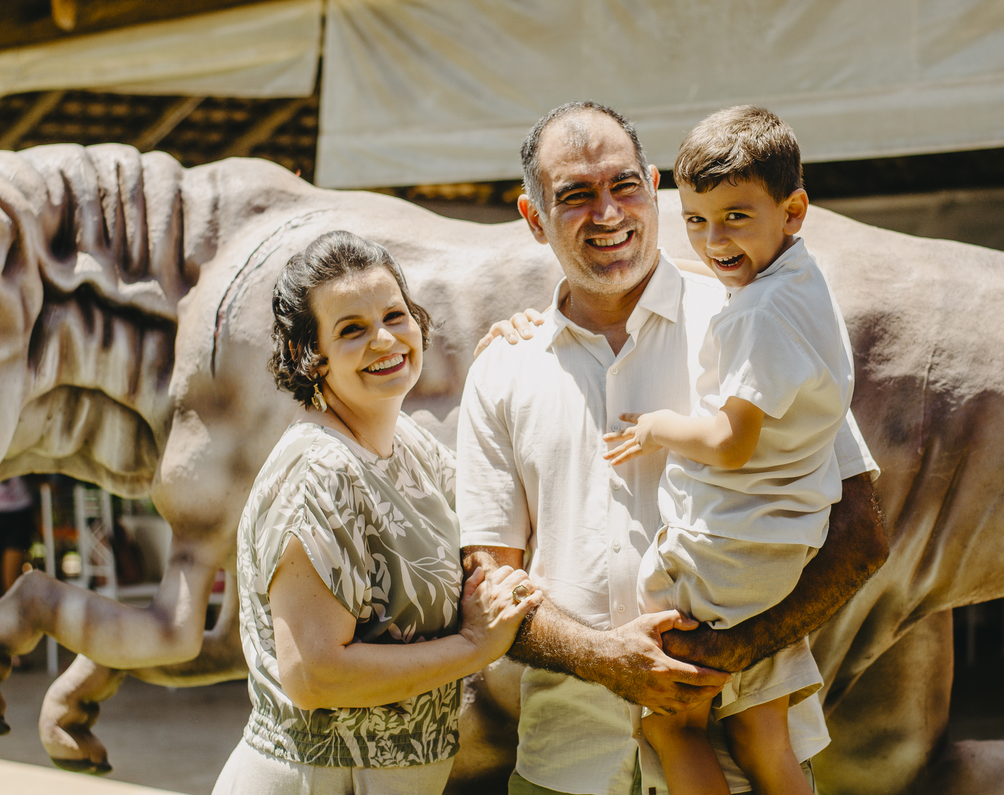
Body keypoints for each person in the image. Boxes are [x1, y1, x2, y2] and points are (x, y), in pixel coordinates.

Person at [457, 101, 887, 795]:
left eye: (624, 185)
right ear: (534, 217)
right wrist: (604, 659)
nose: (608, 212)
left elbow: (861, 533)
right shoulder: (505, 367)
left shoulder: (749, 314)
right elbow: (489, 583)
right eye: (575, 194)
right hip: (568, 763)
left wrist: (732, 650)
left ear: (653, 187)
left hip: (742, 769)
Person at [212, 230, 541, 794]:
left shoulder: (405, 444)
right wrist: (473, 647)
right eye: (351, 329)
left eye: (394, 315)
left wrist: (515, 366)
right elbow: (313, 674)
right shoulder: (319, 472)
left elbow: (501, 511)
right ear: (306, 355)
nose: (385, 339)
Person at [601, 106, 847, 795]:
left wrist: (656, 426)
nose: (714, 240)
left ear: (793, 211)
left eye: (735, 217)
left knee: (672, 724)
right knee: (762, 732)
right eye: (696, 220)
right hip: (780, 549)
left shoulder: (758, 317)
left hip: (720, 557)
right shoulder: (800, 283)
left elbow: (730, 443)